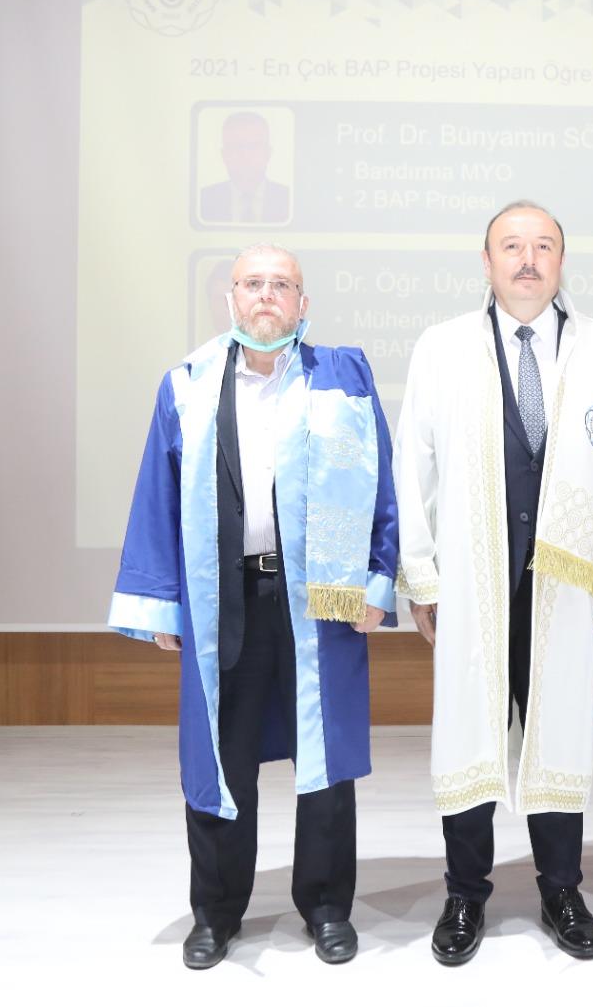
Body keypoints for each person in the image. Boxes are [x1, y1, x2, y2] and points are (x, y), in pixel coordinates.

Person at [108, 243, 397, 968]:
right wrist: (164, 603)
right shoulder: (187, 386)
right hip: (225, 598)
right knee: (220, 757)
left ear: (304, 303)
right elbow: (157, 493)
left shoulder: (344, 380)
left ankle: (326, 907)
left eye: (282, 284)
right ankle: (216, 913)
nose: (267, 295)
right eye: (253, 283)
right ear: (231, 298)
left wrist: (377, 578)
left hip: (320, 598)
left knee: (325, 761)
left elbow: (380, 482)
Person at [394, 200, 593, 965]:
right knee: (467, 729)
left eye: (543, 246)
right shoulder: (441, 349)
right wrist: (421, 574)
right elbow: (412, 465)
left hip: (566, 583)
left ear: (561, 261)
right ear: (487, 261)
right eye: (512, 246)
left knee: (559, 726)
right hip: (472, 579)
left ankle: (561, 889)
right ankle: (464, 893)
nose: (528, 260)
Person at [199, 111, 292, 224]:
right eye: (236, 146)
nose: (245, 155)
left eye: (254, 146)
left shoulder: (290, 200)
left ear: (268, 153)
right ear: (224, 155)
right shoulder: (202, 201)